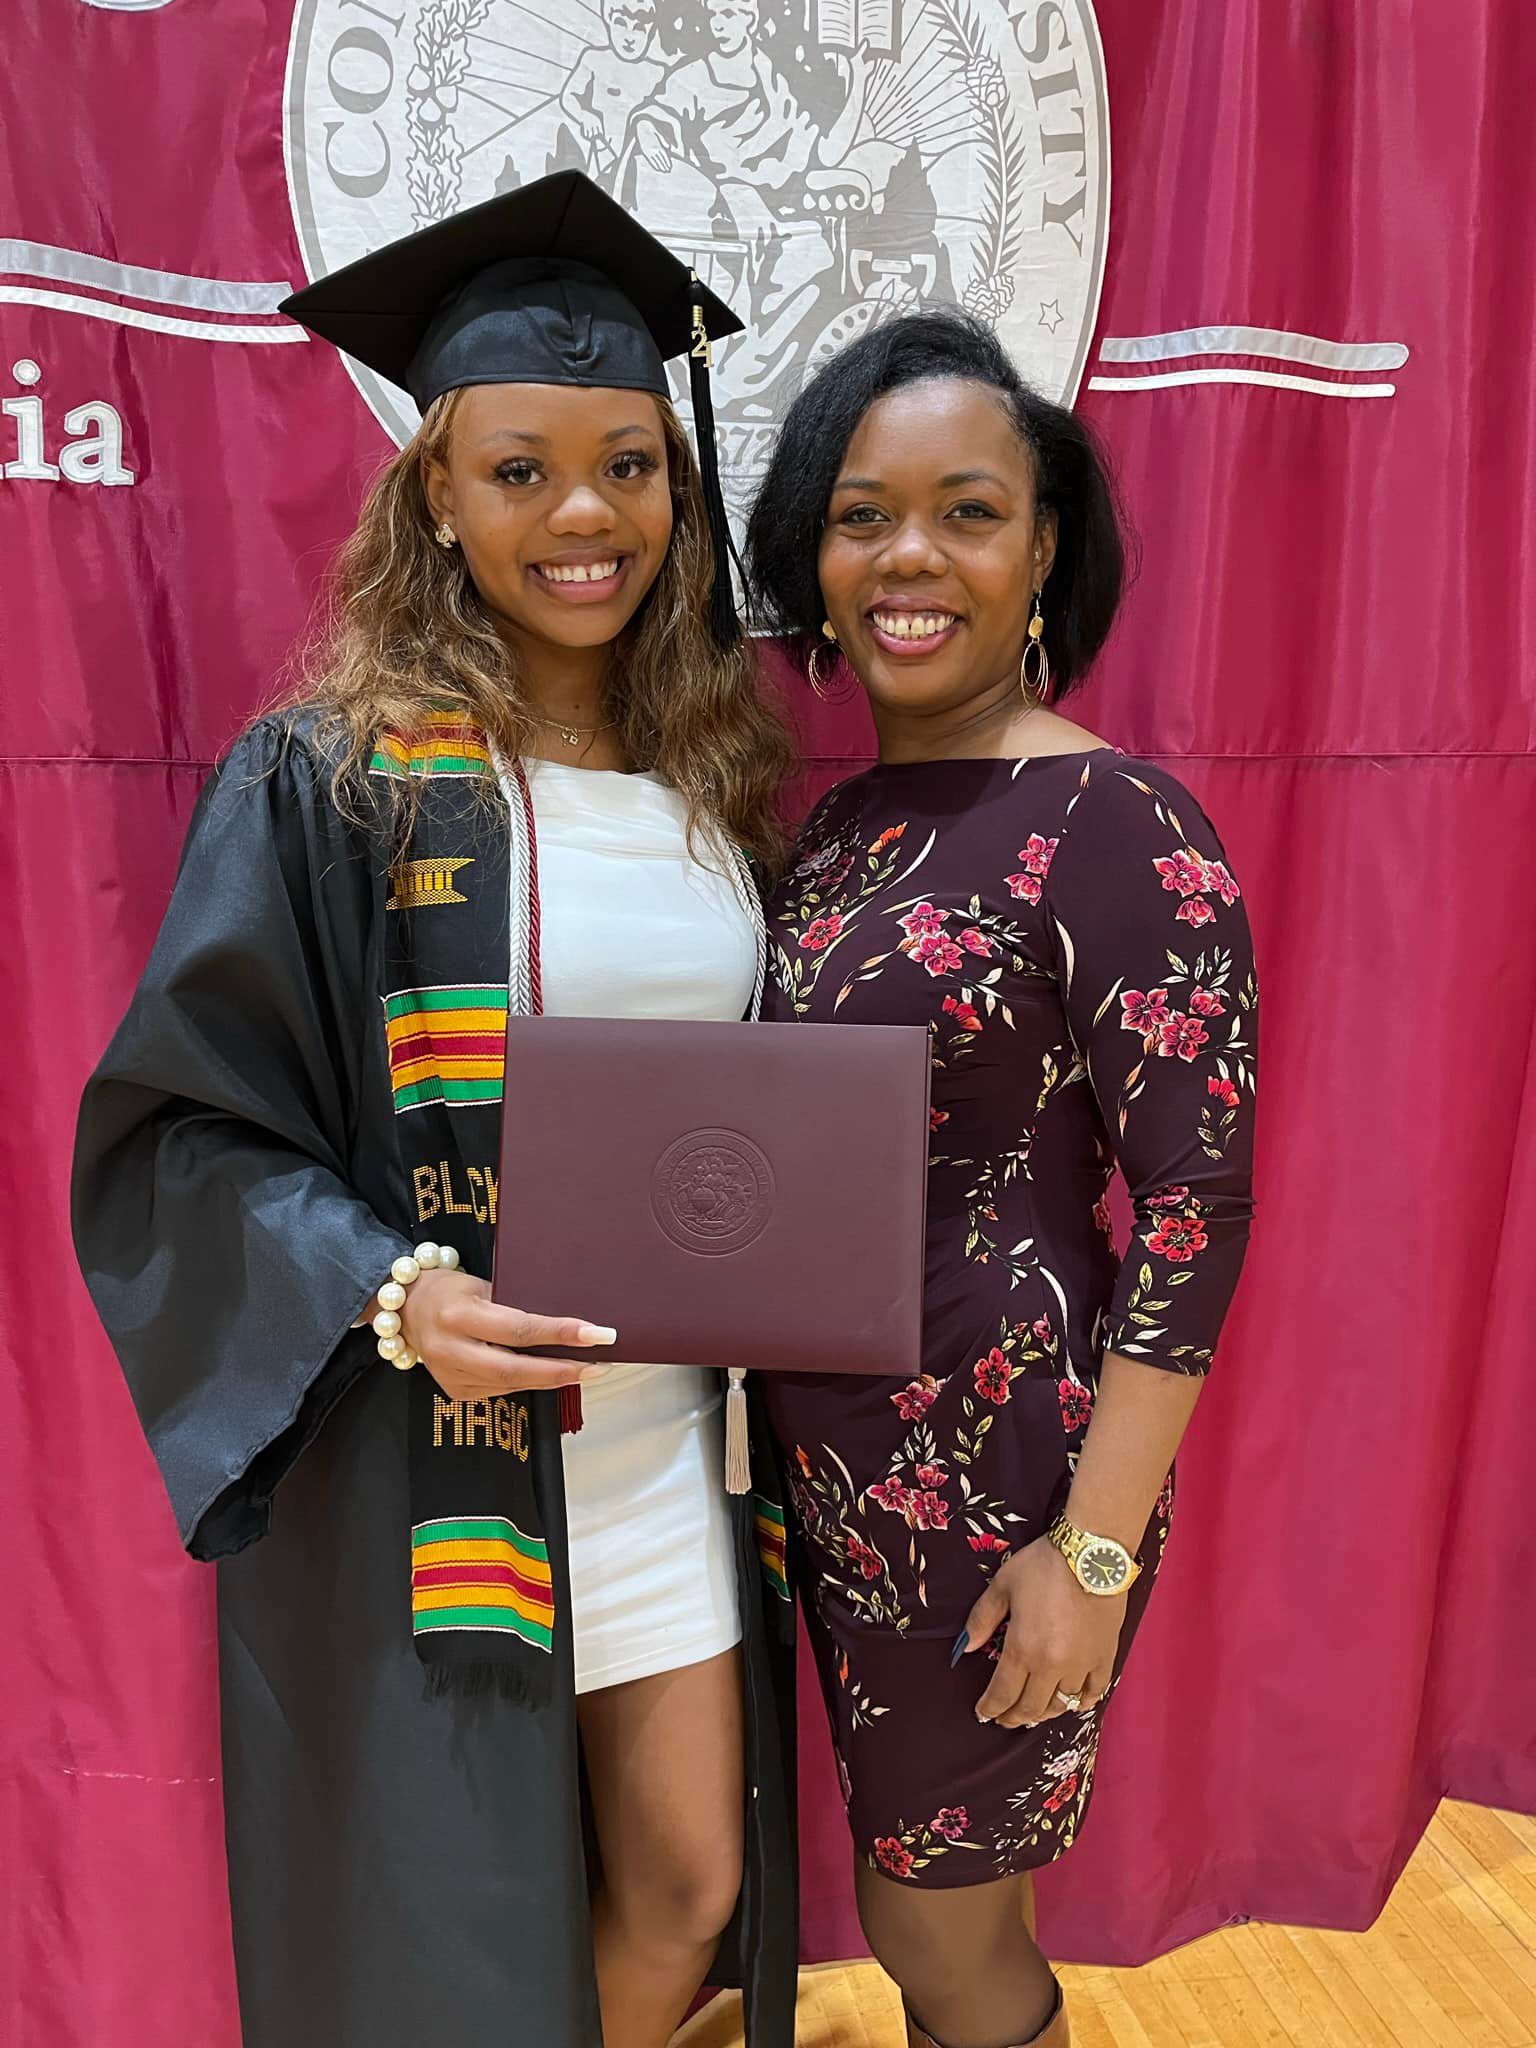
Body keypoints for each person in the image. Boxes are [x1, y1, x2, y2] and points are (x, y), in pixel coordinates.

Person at [71, 170, 799, 2048]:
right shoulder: (330, 779)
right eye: (523, 468)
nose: (585, 516)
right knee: (457, 1954)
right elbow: (182, 1134)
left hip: (662, 1449)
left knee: (689, 1891)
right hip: (435, 1454)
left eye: (631, 466)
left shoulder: (715, 769)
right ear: (437, 497)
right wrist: (399, 1295)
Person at [744, 310, 1258, 2048]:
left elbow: (1196, 1216)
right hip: (827, 1477)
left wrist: (1092, 1557)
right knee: (907, 1908)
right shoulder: (830, 832)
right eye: (861, 512)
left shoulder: (1122, 822)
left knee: (939, 1929)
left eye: (967, 512)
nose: (909, 556)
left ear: (1044, 550)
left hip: (1003, 1478)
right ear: (811, 555)